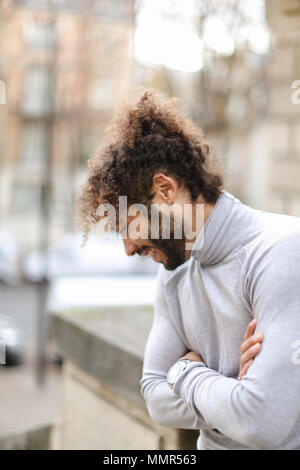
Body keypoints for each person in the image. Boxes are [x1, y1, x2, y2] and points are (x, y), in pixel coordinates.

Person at [76, 90, 300, 450]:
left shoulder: (281, 251)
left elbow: (263, 421)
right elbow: (153, 394)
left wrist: (185, 372)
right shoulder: (173, 273)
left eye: (127, 224)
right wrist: (232, 392)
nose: (129, 248)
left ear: (164, 190)